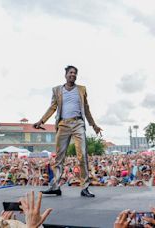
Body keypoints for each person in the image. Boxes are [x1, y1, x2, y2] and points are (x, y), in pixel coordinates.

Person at [34, 65, 102, 197]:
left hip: (78, 124)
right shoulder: (57, 90)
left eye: (75, 73)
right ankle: (55, 186)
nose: (73, 75)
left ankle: (85, 187)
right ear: (65, 75)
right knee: (59, 157)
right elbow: (52, 107)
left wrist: (93, 125)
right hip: (63, 124)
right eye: (70, 72)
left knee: (82, 155)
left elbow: (86, 109)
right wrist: (41, 121)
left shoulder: (81, 89)